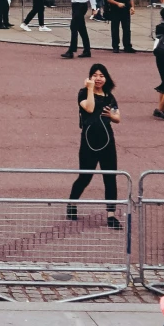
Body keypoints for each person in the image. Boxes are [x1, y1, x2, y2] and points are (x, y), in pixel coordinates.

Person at [68, 63, 122, 226]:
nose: (98, 78)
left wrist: (112, 116)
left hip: (107, 141)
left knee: (110, 177)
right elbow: (90, 108)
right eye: (95, 75)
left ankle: (111, 214)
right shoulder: (83, 94)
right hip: (89, 142)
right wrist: (90, 89)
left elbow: (118, 117)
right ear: (90, 78)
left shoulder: (110, 96)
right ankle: (71, 203)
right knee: (85, 176)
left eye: (102, 75)